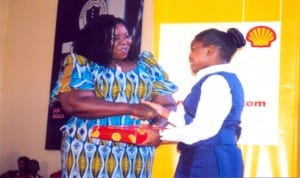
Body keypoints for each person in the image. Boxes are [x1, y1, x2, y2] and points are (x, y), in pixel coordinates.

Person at [51, 14, 177, 178]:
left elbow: (167, 105)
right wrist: (130, 108)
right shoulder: (82, 64)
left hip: (136, 153)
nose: (125, 41)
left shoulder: (148, 66)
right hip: (89, 150)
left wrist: (156, 129)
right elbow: (75, 103)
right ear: (97, 40)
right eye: (115, 38)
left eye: (126, 36)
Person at [143, 28, 246, 177]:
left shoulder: (215, 81)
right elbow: (196, 123)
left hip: (209, 161)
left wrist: (160, 135)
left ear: (210, 50)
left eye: (193, 49)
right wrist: (164, 112)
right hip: (207, 156)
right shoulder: (218, 79)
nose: (189, 56)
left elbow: (203, 129)